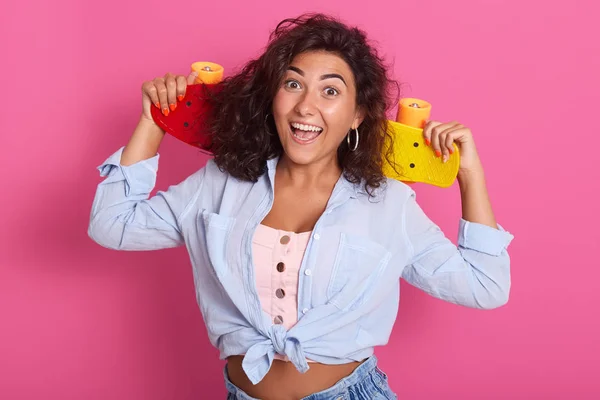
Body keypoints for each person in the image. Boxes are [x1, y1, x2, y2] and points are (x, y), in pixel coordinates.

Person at [88, 13, 514, 400]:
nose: (306, 106)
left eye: (330, 90)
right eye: (293, 84)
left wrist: (469, 175)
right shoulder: (220, 182)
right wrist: (152, 121)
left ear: (357, 115)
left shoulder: (389, 204)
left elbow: (485, 287)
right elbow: (113, 225)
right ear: (273, 97)